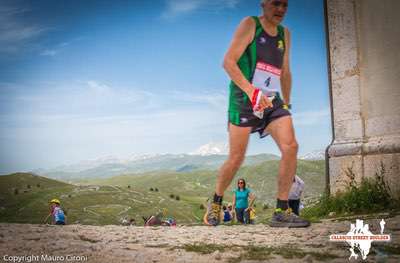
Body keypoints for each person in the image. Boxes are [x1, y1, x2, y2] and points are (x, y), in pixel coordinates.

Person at [204, 0, 310, 227]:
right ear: (263, 3)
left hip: (271, 99)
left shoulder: (285, 33)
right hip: (243, 99)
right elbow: (228, 62)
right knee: (236, 158)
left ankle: (282, 211)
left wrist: (287, 104)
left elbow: (285, 71)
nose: (281, 9)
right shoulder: (250, 24)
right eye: (276, 3)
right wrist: (252, 93)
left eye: (285, 5)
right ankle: (215, 204)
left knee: (291, 146)